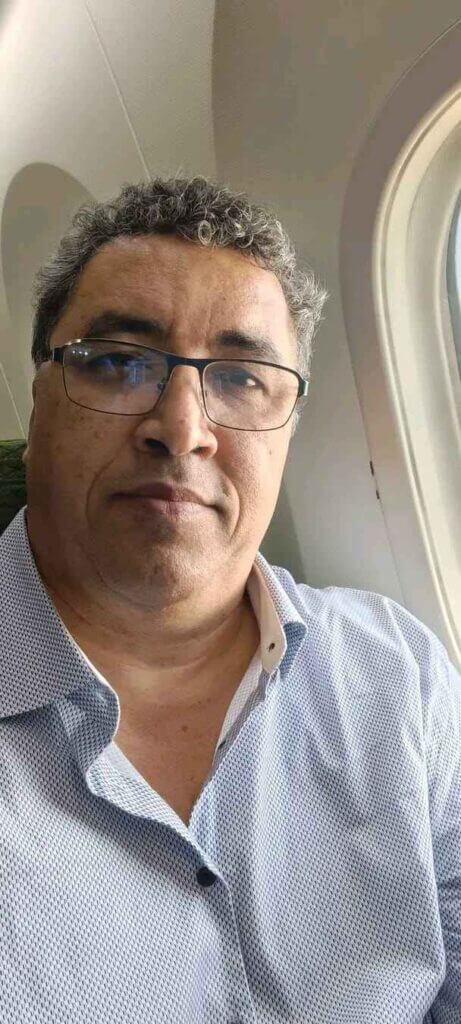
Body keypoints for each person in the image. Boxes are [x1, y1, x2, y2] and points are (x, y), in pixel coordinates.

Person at [0, 175, 459, 1023]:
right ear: (39, 397)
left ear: (287, 426)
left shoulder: (399, 677)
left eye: (242, 378)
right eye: (117, 362)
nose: (181, 429)